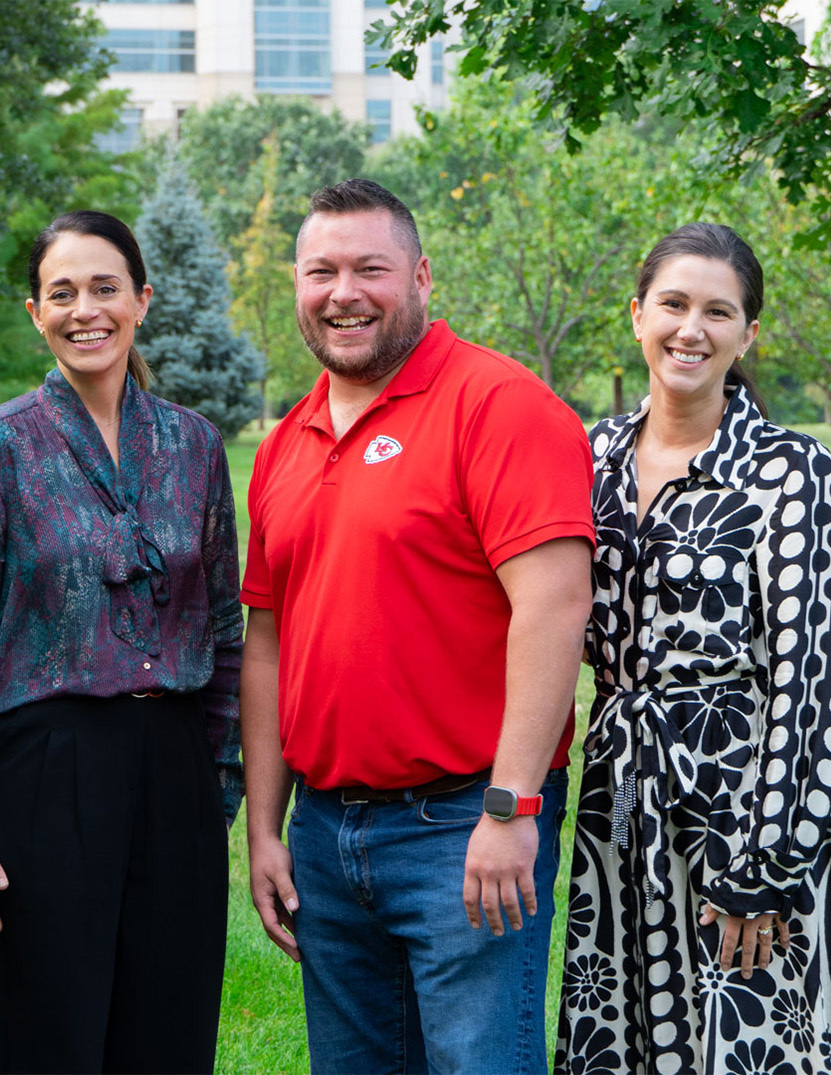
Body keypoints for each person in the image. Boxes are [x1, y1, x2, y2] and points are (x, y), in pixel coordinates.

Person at [239, 178, 595, 1074]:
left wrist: (513, 806)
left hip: (465, 826)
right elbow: (268, 644)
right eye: (321, 271)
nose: (343, 292)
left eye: (371, 268)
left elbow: (554, 606)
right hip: (325, 832)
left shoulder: (499, 405)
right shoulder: (288, 441)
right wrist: (266, 830)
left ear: (423, 277)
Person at [0, 209, 243, 1074]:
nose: (84, 309)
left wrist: (219, 787)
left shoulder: (196, 447)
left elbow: (224, 631)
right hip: (40, 778)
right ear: (36, 312)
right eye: (62, 293)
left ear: (142, 301)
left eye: (104, 288)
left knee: (163, 1033)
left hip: (174, 778)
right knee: (36, 1035)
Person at [554, 223, 831, 1074]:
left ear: (748, 335)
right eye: (674, 304)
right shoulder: (590, 457)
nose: (692, 328)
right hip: (622, 796)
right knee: (622, 1028)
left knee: (748, 1038)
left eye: (718, 312)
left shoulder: (793, 473)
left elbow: (809, 684)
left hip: (749, 796)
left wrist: (766, 862)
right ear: (637, 315)